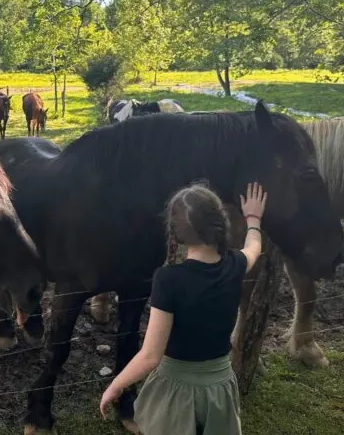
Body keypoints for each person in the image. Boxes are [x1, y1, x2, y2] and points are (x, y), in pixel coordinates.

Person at [99, 182, 267, 435]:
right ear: (218, 222)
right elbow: (254, 246)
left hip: (176, 392)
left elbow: (150, 356)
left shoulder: (168, 280)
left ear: (175, 233)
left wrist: (116, 385)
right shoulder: (236, 264)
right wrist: (253, 218)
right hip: (219, 387)